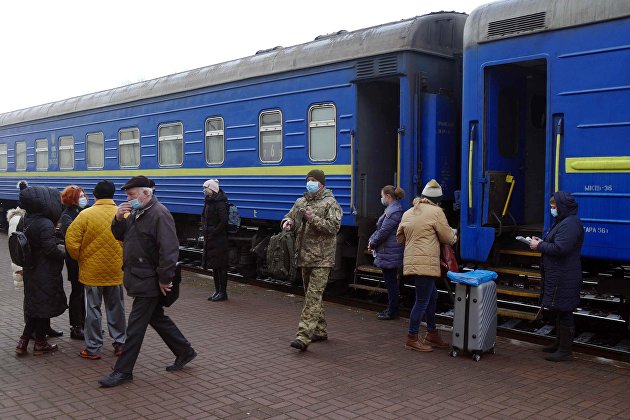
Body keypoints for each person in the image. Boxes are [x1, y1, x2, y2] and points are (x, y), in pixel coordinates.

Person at [99, 175, 196, 387]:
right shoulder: (136, 212)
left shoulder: (159, 214)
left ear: (146, 193)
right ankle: (184, 351)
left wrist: (164, 279)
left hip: (149, 280)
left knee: (134, 328)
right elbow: (119, 235)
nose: (129, 199)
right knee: (156, 317)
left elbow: (169, 251)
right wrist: (117, 218)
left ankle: (123, 371)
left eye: (132, 195)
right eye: (127, 195)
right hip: (138, 276)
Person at [65, 180, 126, 360]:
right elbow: (130, 240)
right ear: (113, 194)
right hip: (116, 270)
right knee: (117, 308)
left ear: (95, 195)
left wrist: (81, 257)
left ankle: (93, 348)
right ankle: (120, 343)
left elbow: (71, 241)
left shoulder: (85, 215)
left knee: (92, 310)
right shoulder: (122, 215)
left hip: (91, 271)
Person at [283, 169, 342, 351]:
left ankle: (303, 336)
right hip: (304, 256)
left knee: (313, 297)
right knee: (312, 295)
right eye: (308, 180)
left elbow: (334, 227)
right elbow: (290, 216)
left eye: (314, 180)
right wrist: (287, 222)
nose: (310, 183)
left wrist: (313, 218)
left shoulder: (330, 203)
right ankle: (320, 330)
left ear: (322, 184)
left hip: (322, 259)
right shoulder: (301, 201)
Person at [396, 179, 456, 352]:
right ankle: (412, 338)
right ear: (438, 200)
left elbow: (399, 237)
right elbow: (448, 238)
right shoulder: (436, 212)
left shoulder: (409, 212)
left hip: (413, 260)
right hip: (426, 262)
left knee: (433, 296)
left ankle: (432, 333)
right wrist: (454, 235)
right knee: (422, 300)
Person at [530, 191, 584, 362]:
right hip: (560, 273)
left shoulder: (569, 224)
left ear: (562, 207)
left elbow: (561, 248)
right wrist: (542, 242)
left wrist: (539, 246)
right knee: (560, 309)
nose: (552, 209)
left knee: (565, 310)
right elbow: (556, 244)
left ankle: (565, 351)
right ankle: (559, 343)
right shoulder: (564, 222)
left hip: (564, 274)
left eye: (554, 207)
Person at [15, 186, 67, 356]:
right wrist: (63, 255)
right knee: (42, 307)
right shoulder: (45, 223)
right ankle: (40, 343)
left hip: (31, 268)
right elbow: (50, 249)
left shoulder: (25, 219)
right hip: (44, 270)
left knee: (35, 307)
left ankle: (23, 343)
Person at [368, 185, 405, 320]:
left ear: (388, 197)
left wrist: (372, 243)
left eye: (382, 195)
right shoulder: (393, 210)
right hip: (389, 250)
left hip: (390, 251)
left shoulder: (393, 212)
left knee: (391, 282)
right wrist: (371, 240)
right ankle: (391, 308)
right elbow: (381, 230)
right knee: (391, 281)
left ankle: (392, 310)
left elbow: (383, 231)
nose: (381, 198)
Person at [59, 184, 88, 340]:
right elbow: (72, 240)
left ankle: (85, 323)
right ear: (72, 198)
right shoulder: (67, 216)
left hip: (85, 259)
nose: (84, 198)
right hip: (75, 260)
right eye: (80, 195)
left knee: (84, 293)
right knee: (77, 292)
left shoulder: (82, 212)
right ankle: (76, 326)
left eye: (84, 195)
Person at [201, 179, 229, 301]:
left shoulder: (220, 203)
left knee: (221, 266)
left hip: (219, 239)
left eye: (205, 188)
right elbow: (204, 217)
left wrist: (214, 232)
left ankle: (223, 293)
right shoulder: (208, 202)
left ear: (212, 189)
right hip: (211, 237)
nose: (204, 190)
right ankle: (217, 291)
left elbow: (223, 221)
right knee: (214, 265)